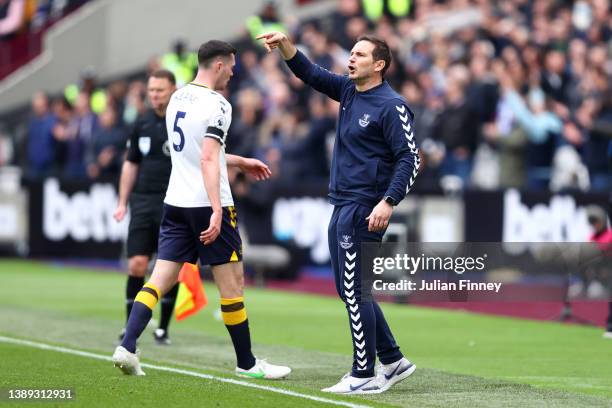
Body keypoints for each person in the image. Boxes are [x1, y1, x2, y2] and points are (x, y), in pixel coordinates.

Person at [112, 40, 291, 379]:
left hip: (175, 202)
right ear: (220, 65)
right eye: (232, 66)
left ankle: (128, 345)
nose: (235, 72)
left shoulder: (178, 97)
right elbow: (207, 157)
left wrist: (238, 161)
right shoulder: (219, 105)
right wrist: (217, 209)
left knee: (159, 279)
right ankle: (247, 364)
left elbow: (195, 153)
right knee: (233, 286)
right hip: (208, 203)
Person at [258, 31, 419, 394]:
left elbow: (411, 158)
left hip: (365, 207)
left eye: (360, 54)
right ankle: (393, 360)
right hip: (343, 202)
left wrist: (388, 201)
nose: (351, 58)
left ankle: (363, 374)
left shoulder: (391, 105)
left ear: (379, 65)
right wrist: (285, 46)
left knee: (355, 289)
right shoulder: (348, 90)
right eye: (351, 52)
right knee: (350, 289)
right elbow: (311, 74)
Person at [113, 69, 180, 346]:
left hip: (173, 202)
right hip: (142, 201)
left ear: (173, 90)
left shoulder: (182, 122)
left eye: (160, 90)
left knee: (168, 269)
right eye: (151, 91)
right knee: (137, 264)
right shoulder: (141, 124)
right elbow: (131, 164)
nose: (154, 96)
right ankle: (132, 327)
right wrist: (122, 202)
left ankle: (163, 328)